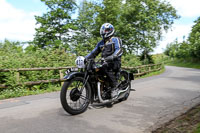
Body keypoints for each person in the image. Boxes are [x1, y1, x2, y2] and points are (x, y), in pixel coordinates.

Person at [85, 23, 123, 98]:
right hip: (104, 62)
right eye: (103, 30)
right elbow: (93, 53)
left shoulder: (115, 39)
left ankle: (115, 87)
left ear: (110, 30)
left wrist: (113, 56)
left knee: (105, 66)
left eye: (106, 30)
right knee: (93, 70)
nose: (104, 32)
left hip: (115, 62)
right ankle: (98, 91)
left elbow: (119, 49)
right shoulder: (101, 43)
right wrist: (85, 58)